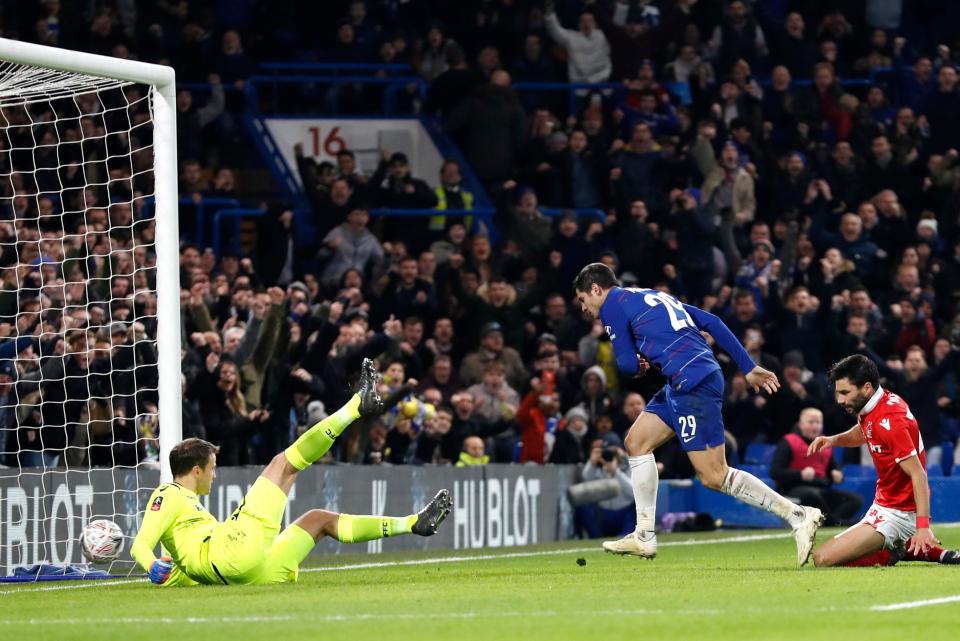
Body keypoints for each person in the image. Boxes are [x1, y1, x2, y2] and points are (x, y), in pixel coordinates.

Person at [572, 262, 823, 565]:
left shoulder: (612, 306)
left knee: (714, 475)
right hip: (684, 379)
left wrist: (637, 365)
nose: (584, 308)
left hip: (692, 382)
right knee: (636, 442)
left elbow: (625, 365)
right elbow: (713, 322)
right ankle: (644, 535)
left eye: (583, 299)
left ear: (596, 289)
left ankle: (797, 515)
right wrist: (748, 366)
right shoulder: (650, 295)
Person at [130, 360, 453, 586]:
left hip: (247, 572)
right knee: (283, 464)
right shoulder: (167, 494)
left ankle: (413, 523)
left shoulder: (190, 519)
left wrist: (165, 570)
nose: (214, 476)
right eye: (212, 469)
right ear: (196, 469)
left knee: (318, 520)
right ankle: (357, 405)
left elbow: (181, 560)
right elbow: (141, 544)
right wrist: (151, 565)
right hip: (230, 552)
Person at [808, 355, 960, 567]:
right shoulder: (876, 405)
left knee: (823, 559)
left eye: (845, 392)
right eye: (837, 392)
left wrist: (922, 526)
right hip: (884, 504)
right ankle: (913, 549)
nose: (840, 400)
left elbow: (918, 474)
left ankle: (896, 551)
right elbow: (866, 431)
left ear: (867, 388)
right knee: (828, 557)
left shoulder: (891, 420)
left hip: (899, 513)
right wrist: (833, 440)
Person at [770, 407, 863, 526]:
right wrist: (800, 475)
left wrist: (837, 474)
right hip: (792, 488)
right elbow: (775, 472)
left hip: (820, 488)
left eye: (818, 423)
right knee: (812, 496)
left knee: (855, 500)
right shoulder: (788, 441)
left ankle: (831, 521)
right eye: (811, 422)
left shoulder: (825, 443)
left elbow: (832, 469)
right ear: (801, 424)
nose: (815, 426)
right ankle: (832, 523)